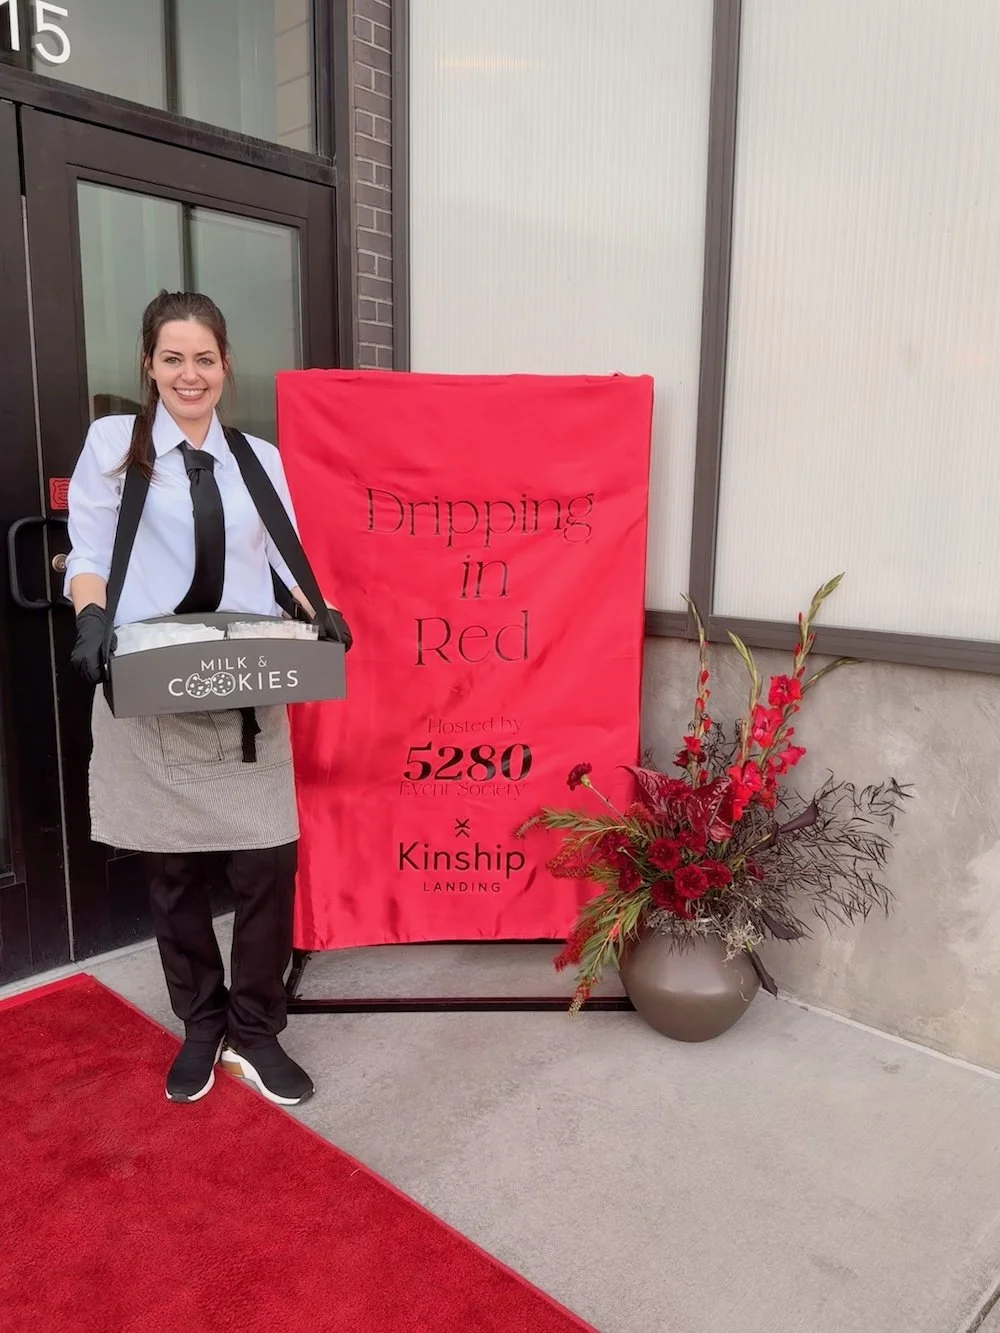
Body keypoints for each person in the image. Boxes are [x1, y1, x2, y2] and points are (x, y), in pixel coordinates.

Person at [65, 289, 351, 1107]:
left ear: (226, 366)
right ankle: (201, 1022)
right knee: (173, 872)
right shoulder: (115, 443)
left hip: (243, 683)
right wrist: (91, 619)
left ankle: (256, 1032)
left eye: (204, 358)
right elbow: (88, 544)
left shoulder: (257, 457)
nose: (189, 374)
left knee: (267, 862)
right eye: (171, 358)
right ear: (150, 367)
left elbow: (282, 564)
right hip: (151, 681)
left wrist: (319, 613)